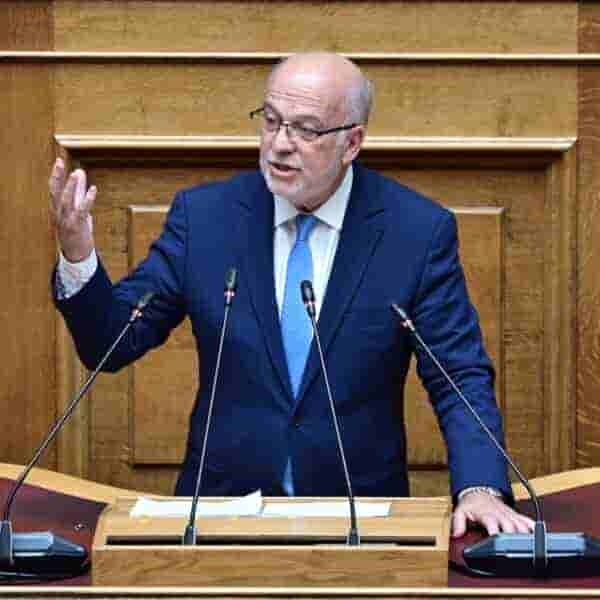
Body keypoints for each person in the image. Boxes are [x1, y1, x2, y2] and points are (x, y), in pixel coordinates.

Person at [49, 52, 534, 538]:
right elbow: (111, 342)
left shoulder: (415, 232)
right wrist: (78, 256)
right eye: (271, 121)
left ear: (352, 142)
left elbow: (457, 374)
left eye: (305, 129)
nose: (280, 144)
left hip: (359, 523)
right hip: (219, 519)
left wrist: (480, 487)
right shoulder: (207, 219)